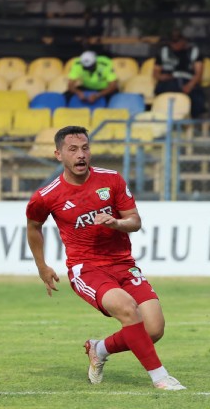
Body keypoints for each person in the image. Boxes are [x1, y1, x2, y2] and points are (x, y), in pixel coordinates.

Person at [26, 125, 185, 391]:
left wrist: (116, 224)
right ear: (58, 154)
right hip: (86, 268)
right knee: (127, 309)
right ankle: (160, 377)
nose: (81, 155)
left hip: (123, 264)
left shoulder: (111, 180)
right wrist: (42, 266)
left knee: (154, 329)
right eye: (73, 149)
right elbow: (33, 227)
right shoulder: (46, 196)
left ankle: (99, 349)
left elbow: (134, 221)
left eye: (85, 148)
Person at [153, 29, 206, 118]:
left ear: (184, 40)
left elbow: (198, 74)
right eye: (172, 41)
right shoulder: (163, 51)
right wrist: (162, 77)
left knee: (196, 98)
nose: (174, 44)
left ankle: (193, 122)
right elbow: (156, 72)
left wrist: (190, 85)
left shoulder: (193, 51)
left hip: (188, 82)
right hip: (168, 82)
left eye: (177, 41)